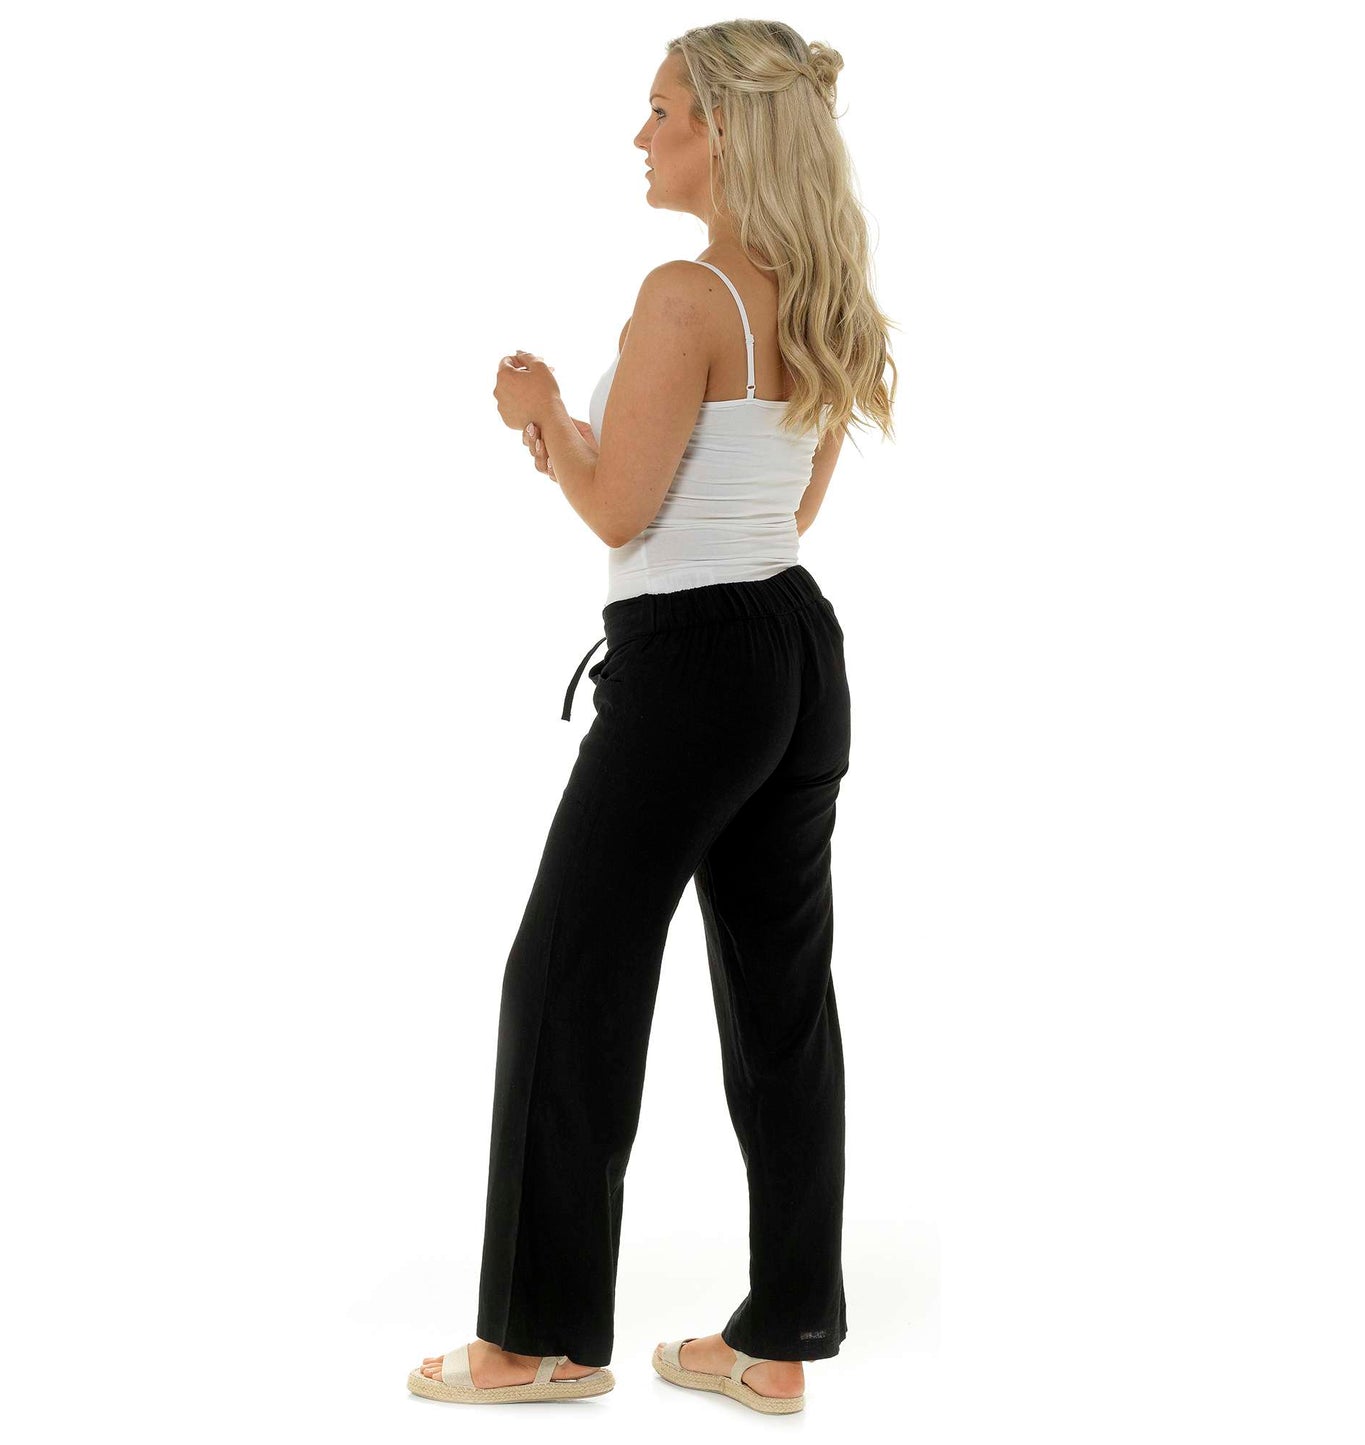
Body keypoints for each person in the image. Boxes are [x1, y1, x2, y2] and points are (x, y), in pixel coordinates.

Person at [409, 19, 897, 1411]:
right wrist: (583, 447)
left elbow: (622, 512)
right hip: (793, 650)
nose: (642, 135)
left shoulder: (685, 296)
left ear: (725, 133)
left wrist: (541, 413)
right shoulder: (819, 291)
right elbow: (784, 507)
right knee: (781, 1001)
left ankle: (535, 1342)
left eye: (664, 110)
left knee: (566, 973)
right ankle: (778, 1343)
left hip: (692, 669)